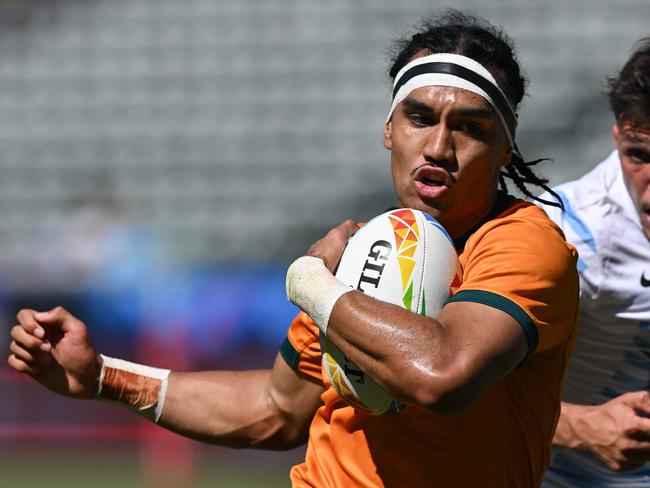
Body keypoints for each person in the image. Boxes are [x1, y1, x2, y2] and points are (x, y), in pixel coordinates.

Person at [8, 11, 579, 487]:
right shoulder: (361, 249)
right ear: (389, 129)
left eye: (471, 127)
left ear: (506, 147)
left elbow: (441, 374)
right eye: (419, 118)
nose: (438, 146)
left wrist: (310, 282)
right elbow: (277, 408)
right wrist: (104, 376)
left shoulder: (523, 244)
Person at [540, 39, 650, 487]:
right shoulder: (566, 236)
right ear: (617, 139)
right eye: (638, 154)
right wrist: (580, 427)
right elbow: (445, 384)